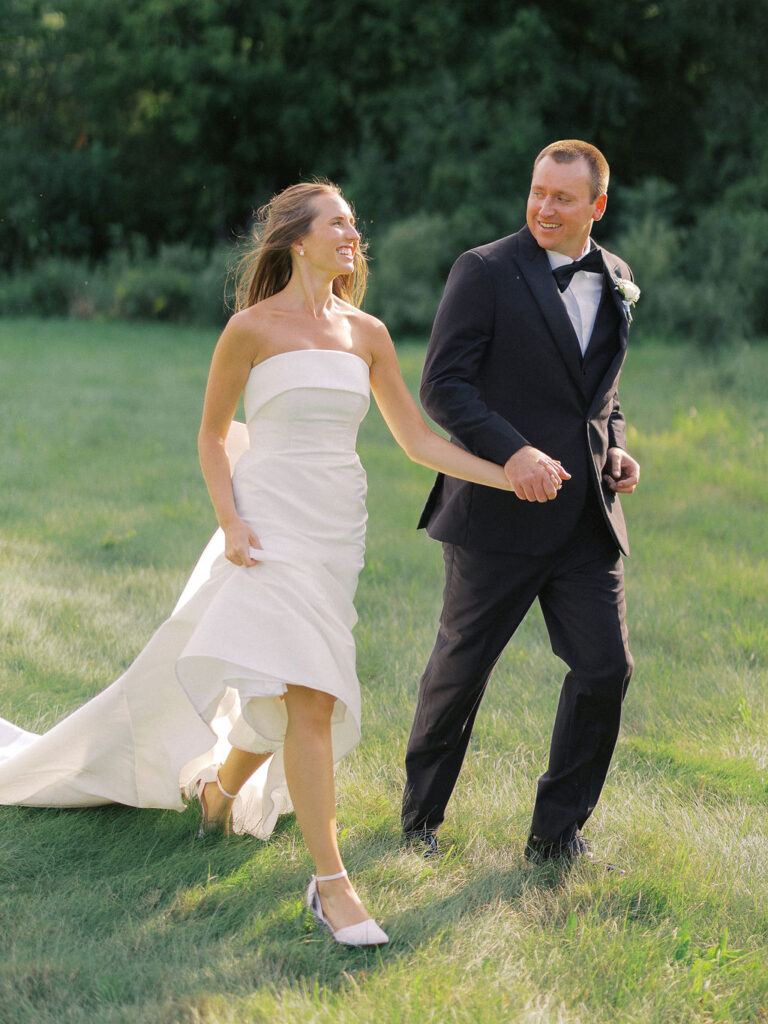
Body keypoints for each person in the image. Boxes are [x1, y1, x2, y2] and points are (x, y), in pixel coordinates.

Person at [0, 180, 512, 947]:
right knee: (310, 694)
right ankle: (332, 887)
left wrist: (512, 472)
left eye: (353, 226)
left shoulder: (367, 332)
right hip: (269, 523)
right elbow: (212, 436)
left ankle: (216, 786)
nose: (353, 236)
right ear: (296, 240)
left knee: (295, 684)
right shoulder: (249, 329)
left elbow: (417, 440)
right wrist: (231, 522)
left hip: (337, 524)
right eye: (337, 224)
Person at [401, 140, 640, 867]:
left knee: (607, 669)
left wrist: (617, 445)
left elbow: (599, 392)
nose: (544, 207)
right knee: (462, 671)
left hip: (585, 518)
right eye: (537, 191)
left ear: (596, 206)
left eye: (562, 198)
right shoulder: (484, 270)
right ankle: (419, 823)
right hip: (497, 517)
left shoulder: (619, 277)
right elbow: (444, 385)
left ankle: (556, 833)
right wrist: (512, 452)